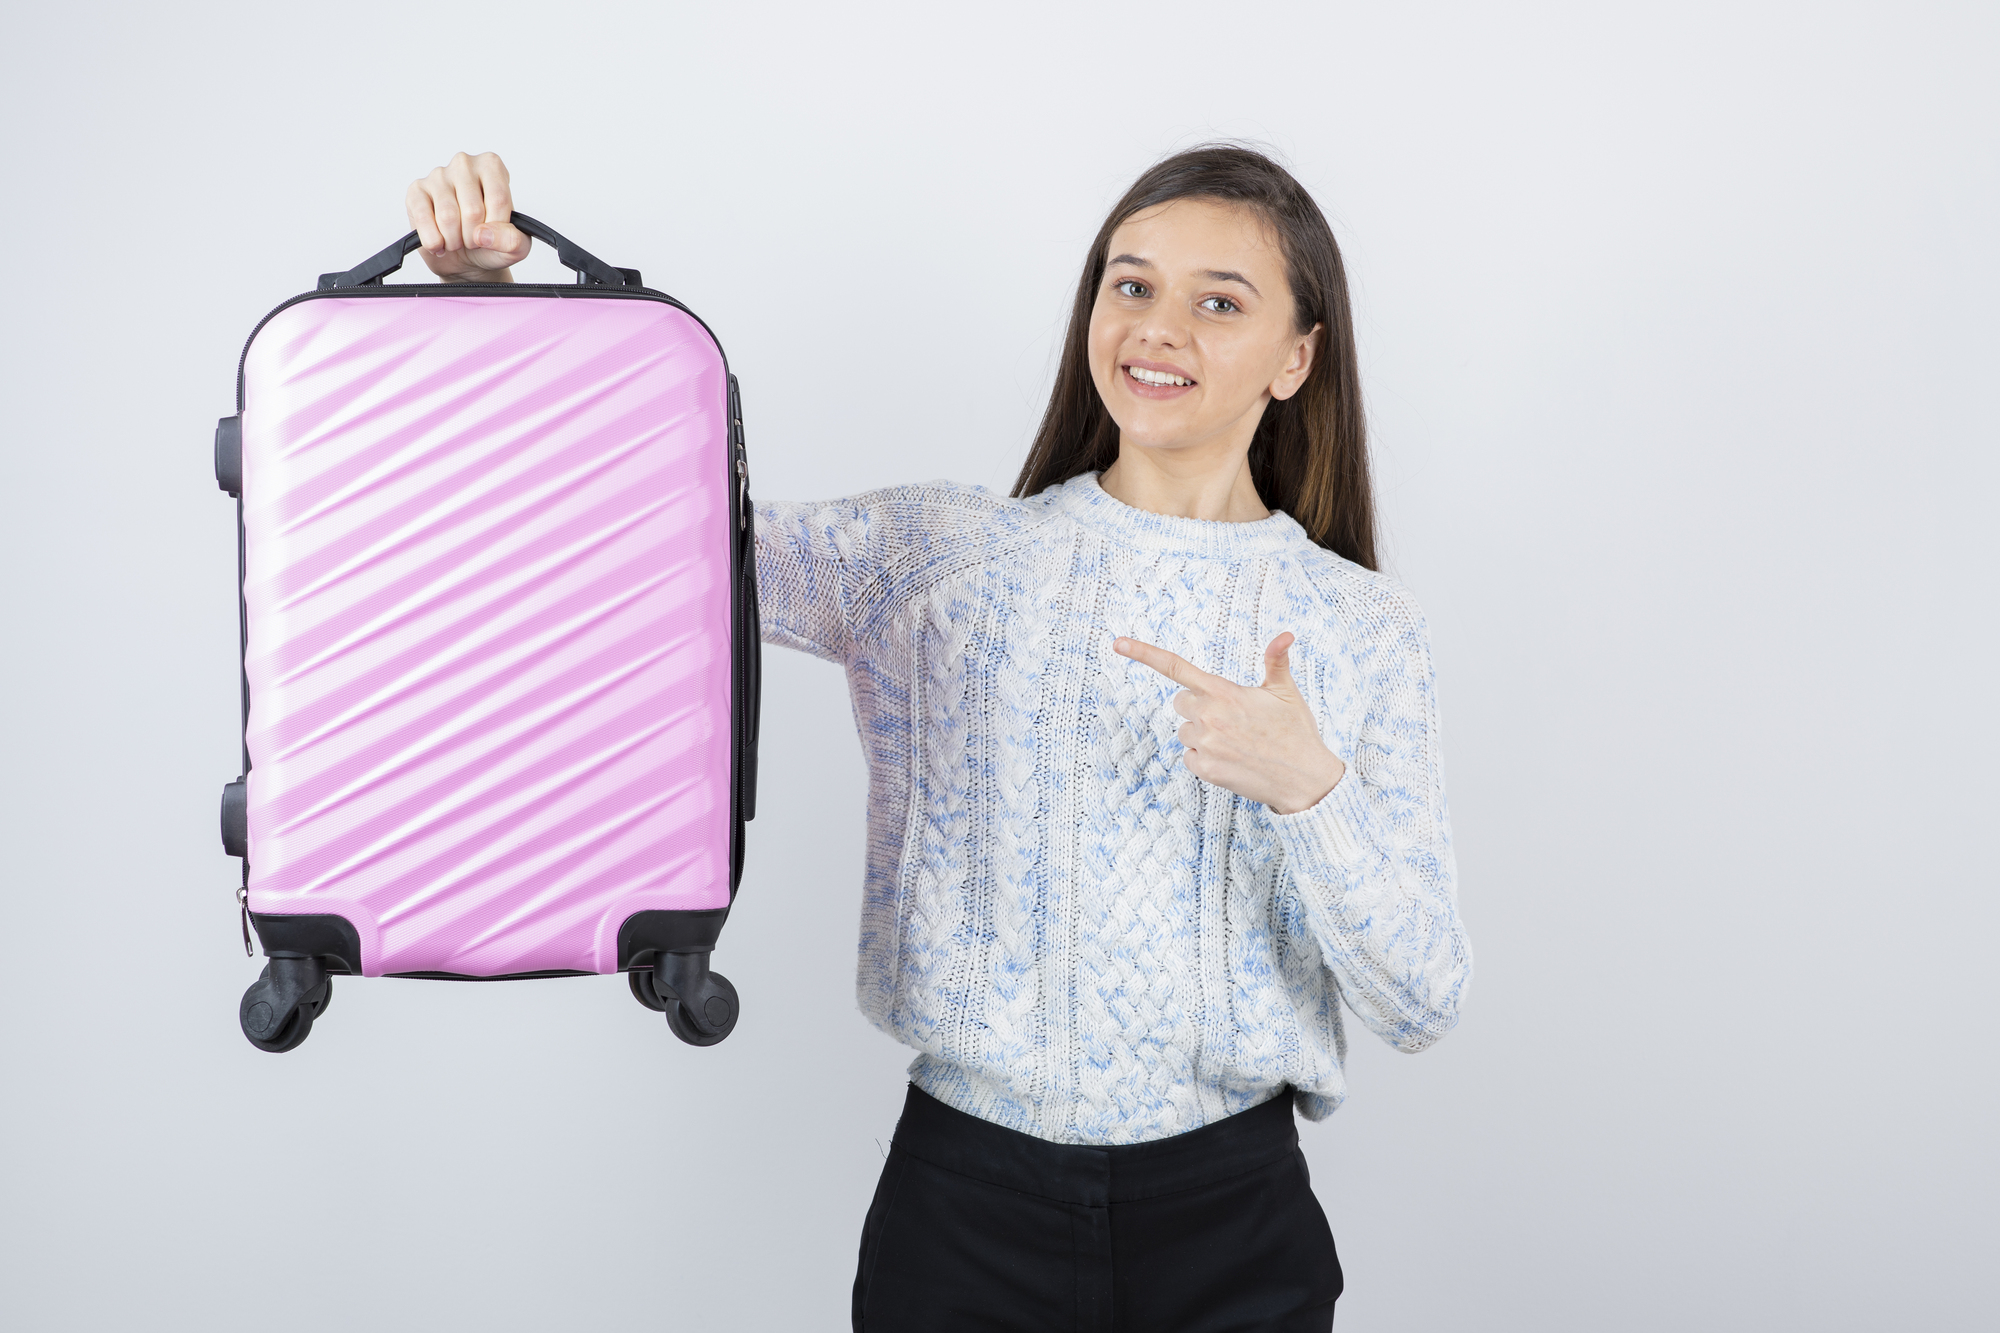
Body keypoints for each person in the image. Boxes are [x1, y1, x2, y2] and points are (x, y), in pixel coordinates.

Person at [404, 145, 1472, 1332]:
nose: (1157, 327)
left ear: (1295, 356)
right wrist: (487, 315)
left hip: (1230, 1226)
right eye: (1130, 286)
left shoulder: (1360, 626)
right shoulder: (933, 559)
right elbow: (622, 541)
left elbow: (1423, 999)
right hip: (967, 1220)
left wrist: (1306, 789)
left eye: (1217, 301)